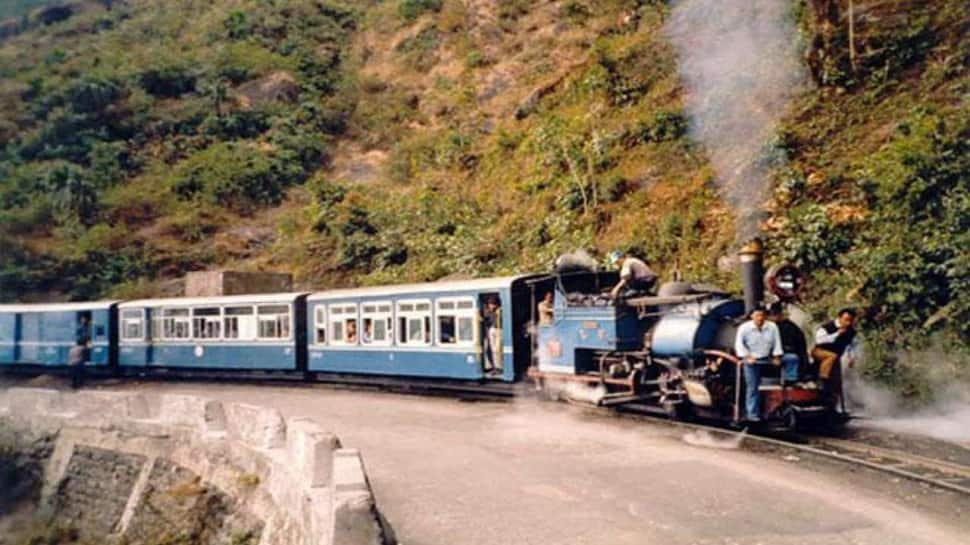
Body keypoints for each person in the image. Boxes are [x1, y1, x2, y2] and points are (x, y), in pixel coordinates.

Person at [734, 306, 783, 422]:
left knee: (792, 359)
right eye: (757, 316)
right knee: (752, 387)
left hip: (767, 358)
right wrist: (747, 356)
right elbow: (739, 345)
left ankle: (790, 383)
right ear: (752, 316)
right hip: (752, 359)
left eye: (762, 315)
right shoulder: (744, 328)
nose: (760, 318)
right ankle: (752, 414)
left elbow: (777, 342)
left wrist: (776, 356)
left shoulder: (772, 327)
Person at [811, 308, 860, 405]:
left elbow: (852, 346)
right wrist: (837, 334)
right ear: (840, 318)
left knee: (836, 382)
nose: (848, 323)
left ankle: (832, 405)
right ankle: (822, 380)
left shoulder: (851, 332)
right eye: (846, 320)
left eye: (850, 320)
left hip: (836, 356)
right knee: (831, 356)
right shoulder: (826, 327)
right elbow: (820, 340)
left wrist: (852, 358)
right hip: (819, 351)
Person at [767, 302, 806, 383]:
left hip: (785, 353)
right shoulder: (766, 327)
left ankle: (791, 380)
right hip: (765, 354)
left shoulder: (790, 327)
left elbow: (797, 344)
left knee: (792, 358)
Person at [482, 296, 503, 375]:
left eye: (493, 304)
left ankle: (499, 368)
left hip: (498, 330)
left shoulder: (499, 310)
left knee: (497, 350)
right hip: (492, 330)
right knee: (492, 350)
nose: (491, 306)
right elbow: (487, 321)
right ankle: (494, 367)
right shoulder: (489, 312)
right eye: (490, 304)